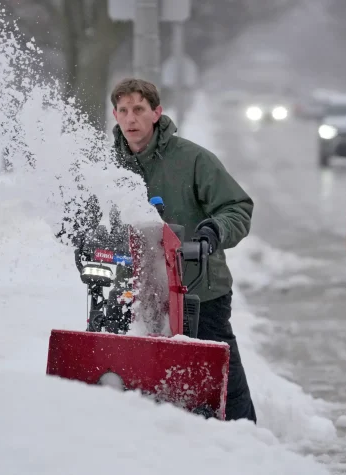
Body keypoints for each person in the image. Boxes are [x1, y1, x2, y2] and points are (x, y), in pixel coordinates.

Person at [109, 77, 257, 423]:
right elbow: (94, 215)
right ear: (115, 115)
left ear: (157, 113)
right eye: (124, 111)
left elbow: (237, 207)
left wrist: (213, 231)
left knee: (220, 379)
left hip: (199, 290)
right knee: (137, 377)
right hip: (135, 293)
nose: (131, 119)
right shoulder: (108, 167)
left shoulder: (193, 160)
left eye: (139, 110)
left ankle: (247, 441)